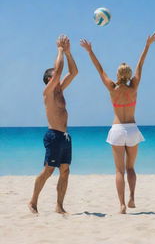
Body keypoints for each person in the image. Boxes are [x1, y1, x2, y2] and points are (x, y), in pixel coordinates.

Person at [80, 32, 155, 213]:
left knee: (119, 170)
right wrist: (147, 45)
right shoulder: (134, 87)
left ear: (118, 74)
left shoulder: (112, 88)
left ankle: (122, 205)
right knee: (131, 167)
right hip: (131, 130)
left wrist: (90, 51)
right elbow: (141, 65)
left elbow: (99, 70)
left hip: (117, 129)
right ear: (129, 75)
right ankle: (132, 198)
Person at [29, 35, 78, 214]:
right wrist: (59, 50)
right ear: (50, 80)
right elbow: (58, 72)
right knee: (48, 170)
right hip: (53, 136)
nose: (58, 78)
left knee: (65, 170)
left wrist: (68, 52)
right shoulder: (48, 91)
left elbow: (74, 73)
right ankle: (33, 202)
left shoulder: (60, 89)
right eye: (55, 77)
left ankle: (59, 206)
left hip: (64, 136)